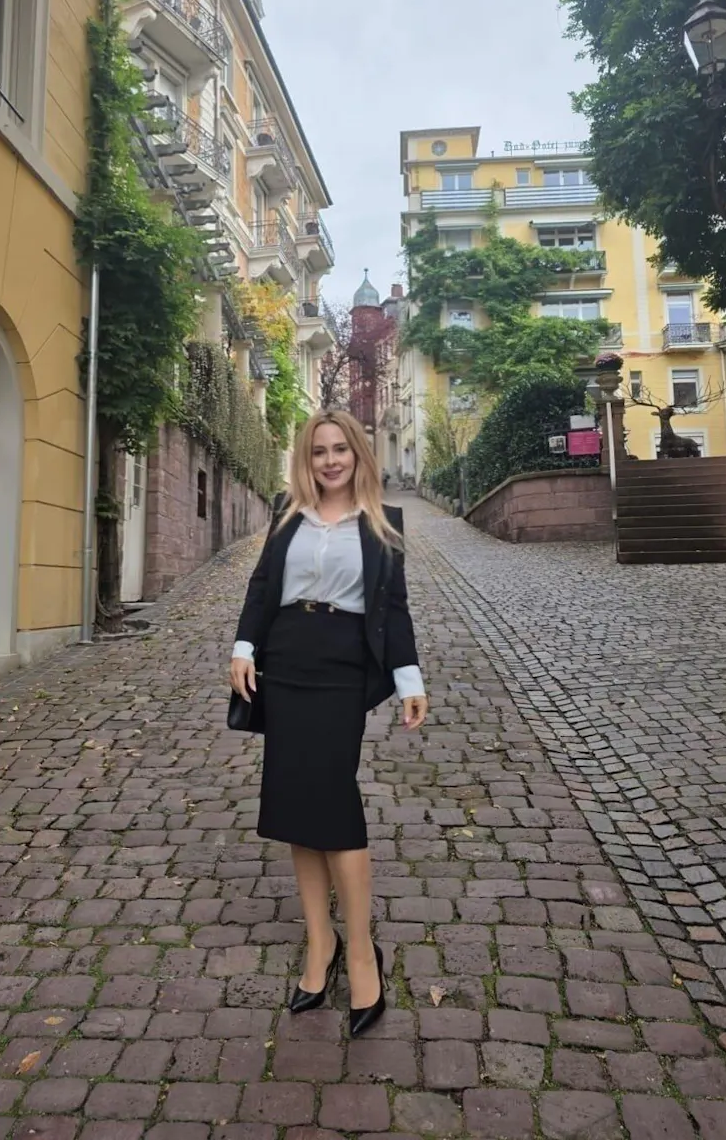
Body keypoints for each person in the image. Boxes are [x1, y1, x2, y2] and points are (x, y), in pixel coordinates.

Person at [229, 410, 427, 1037]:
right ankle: (321, 944)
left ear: (359, 455)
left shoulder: (382, 523)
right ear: (306, 459)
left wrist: (409, 680)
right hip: (286, 661)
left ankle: (361, 950)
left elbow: (394, 609)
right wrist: (243, 647)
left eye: (341, 449)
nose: (331, 460)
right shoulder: (288, 514)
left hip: (343, 668)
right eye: (319, 451)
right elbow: (263, 586)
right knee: (296, 805)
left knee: (335, 802)